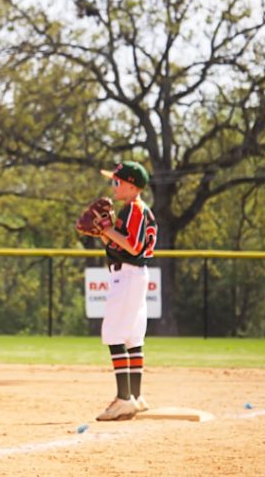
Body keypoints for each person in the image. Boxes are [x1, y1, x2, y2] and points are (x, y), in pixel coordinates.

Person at [87, 161, 157, 422]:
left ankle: (123, 399)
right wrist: (105, 234)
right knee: (132, 337)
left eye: (117, 182)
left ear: (131, 185)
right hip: (132, 274)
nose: (113, 186)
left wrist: (105, 229)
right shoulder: (132, 211)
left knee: (114, 333)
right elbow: (120, 245)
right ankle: (136, 398)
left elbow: (132, 246)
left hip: (128, 274)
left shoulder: (135, 210)